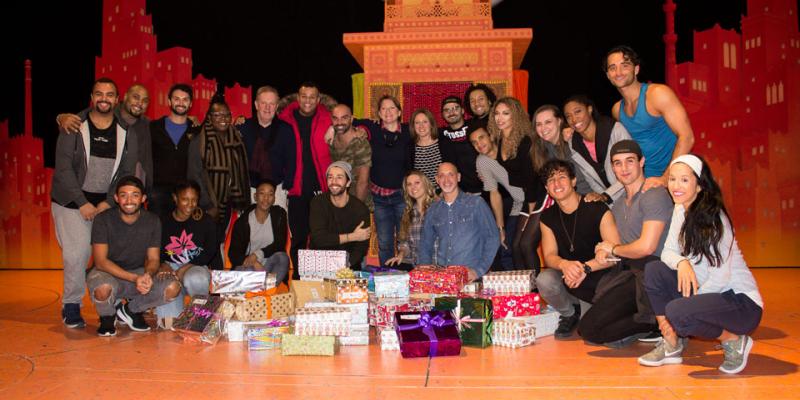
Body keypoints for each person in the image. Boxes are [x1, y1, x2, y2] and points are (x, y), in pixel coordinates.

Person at [637, 154, 763, 375]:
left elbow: (720, 278)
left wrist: (689, 307)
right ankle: (671, 342)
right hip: (708, 293)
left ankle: (734, 340)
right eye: (673, 179)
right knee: (654, 269)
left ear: (699, 185)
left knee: (678, 312)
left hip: (740, 303)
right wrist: (683, 262)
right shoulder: (680, 209)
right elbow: (667, 252)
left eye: (684, 180)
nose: (676, 186)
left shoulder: (714, 220)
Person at [51, 77, 137, 329]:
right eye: (99, 93)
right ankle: (71, 305)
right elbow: (64, 169)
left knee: (112, 255)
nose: (104, 98)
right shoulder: (73, 125)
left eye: (110, 94)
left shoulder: (124, 131)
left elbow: (126, 171)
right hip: (71, 202)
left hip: (106, 205)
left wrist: (109, 202)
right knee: (77, 255)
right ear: (91, 97)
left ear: (117, 99)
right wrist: (82, 202)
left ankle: (113, 306)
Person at [579, 140, 672, 347]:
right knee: (578, 281)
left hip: (654, 275)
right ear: (612, 168)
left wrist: (612, 248)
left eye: (630, 161)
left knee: (589, 330)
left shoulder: (654, 195)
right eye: (617, 163)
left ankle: (656, 323)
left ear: (642, 162)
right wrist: (600, 254)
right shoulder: (619, 204)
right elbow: (620, 250)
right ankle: (644, 319)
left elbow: (646, 247)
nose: (624, 168)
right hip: (629, 271)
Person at [535, 159, 620, 340]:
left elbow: (614, 254)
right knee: (544, 280)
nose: (556, 184)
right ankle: (569, 313)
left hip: (600, 275)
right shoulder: (548, 217)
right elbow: (549, 255)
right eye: (551, 180)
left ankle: (584, 308)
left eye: (562, 177)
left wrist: (584, 268)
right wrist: (564, 264)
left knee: (592, 331)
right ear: (546, 188)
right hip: (570, 276)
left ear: (573, 181)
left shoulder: (597, 208)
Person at [86, 176, 180, 336]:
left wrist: (148, 275)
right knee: (102, 289)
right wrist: (134, 278)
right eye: (123, 195)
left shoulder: (152, 221)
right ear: (116, 198)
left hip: (137, 273)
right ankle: (107, 317)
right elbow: (101, 262)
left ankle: (130, 310)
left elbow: (153, 259)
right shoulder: (103, 220)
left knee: (172, 287)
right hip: (107, 273)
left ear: (143, 198)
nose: (129, 200)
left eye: (135, 195)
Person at [605, 45, 695, 190]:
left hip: (677, 178)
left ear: (636, 69)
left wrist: (667, 178)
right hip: (647, 184)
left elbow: (687, 137)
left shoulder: (657, 94)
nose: (618, 72)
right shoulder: (617, 110)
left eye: (625, 65)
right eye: (612, 68)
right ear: (608, 75)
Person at [187, 95, 250, 269]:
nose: (223, 119)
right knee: (206, 240)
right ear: (209, 117)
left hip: (228, 201)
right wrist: (207, 204)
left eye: (226, 115)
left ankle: (217, 275)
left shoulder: (236, 137)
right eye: (217, 115)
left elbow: (240, 169)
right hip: (207, 202)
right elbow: (194, 175)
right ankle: (207, 278)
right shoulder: (199, 140)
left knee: (219, 238)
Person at [278, 82, 333, 277]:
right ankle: (299, 278)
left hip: (322, 188)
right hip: (297, 189)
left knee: (321, 237)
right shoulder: (284, 119)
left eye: (312, 97)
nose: (307, 100)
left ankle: (321, 278)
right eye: (304, 96)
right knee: (299, 237)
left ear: (318, 100)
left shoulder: (329, 118)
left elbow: (354, 124)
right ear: (298, 98)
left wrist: (360, 130)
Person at [487, 97, 545, 272]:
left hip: (538, 196)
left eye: (506, 113)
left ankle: (535, 291)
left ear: (515, 116)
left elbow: (531, 178)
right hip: (522, 198)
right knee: (515, 246)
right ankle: (524, 290)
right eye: (497, 113)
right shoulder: (500, 140)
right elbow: (509, 175)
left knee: (525, 245)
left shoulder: (525, 141)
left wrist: (530, 210)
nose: (500, 118)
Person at [353, 95, 412, 267]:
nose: (388, 112)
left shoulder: (409, 131)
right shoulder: (374, 129)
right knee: (385, 242)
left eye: (392, 108)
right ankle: (387, 277)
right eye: (384, 109)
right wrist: (333, 130)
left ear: (399, 112)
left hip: (402, 196)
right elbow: (351, 121)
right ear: (378, 113)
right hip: (380, 197)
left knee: (405, 240)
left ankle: (407, 276)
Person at [57, 84, 153, 188]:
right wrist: (61, 118)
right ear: (125, 97)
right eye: (135, 97)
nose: (140, 103)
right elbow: (74, 122)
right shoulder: (107, 112)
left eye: (145, 101)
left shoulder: (148, 125)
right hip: (95, 184)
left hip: (133, 188)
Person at [418, 163, 500, 280]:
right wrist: (425, 271)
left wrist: (479, 270)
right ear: (437, 180)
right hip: (444, 278)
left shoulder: (476, 203)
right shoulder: (433, 210)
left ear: (458, 177)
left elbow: (493, 237)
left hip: (471, 277)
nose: (446, 180)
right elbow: (425, 244)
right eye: (442, 176)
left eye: (451, 174)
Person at [155, 180, 215, 329]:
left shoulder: (205, 221)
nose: (190, 204)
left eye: (194, 200)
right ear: (175, 198)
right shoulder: (162, 221)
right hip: (170, 267)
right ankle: (177, 308)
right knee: (169, 325)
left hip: (196, 266)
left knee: (196, 278)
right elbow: (153, 248)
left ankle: (201, 314)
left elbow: (210, 251)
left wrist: (186, 267)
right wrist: (162, 264)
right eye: (185, 199)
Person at [469, 127, 526, 268]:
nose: (479, 144)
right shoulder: (482, 161)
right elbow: (494, 194)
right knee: (506, 245)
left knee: (523, 245)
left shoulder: (509, 147)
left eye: (481, 137)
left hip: (534, 199)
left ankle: (532, 286)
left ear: (491, 136)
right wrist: (500, 229)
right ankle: (510, 286)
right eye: (474, 142)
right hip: (518, 204)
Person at [562, 95, 631, 202]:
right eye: (568, 116)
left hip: (633, 192)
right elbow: (590, 179)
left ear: (589, 109)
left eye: (578, 111)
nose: (574, 119)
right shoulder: (574, 143)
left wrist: (606, 196)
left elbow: (631, 169)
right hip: (609, 201)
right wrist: (602, 199)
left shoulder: (614, 130)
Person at [236, 85, 295, 210]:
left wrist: (286, 187)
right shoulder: (243, 128)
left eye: (272, 103)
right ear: (256, 105)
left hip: (277, 190)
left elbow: (292, 160)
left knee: (277, 228)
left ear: (277, 106)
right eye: (263, 103)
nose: (267, 108)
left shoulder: (286, 130)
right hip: (250, 190)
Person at [148, 83, 201, 218]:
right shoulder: (153, 127)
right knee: (158, 234)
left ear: (190, 104)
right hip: (158, 192)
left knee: (182, 236)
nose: (180, 103)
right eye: (176, 99)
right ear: (169, 101)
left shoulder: (197, 131)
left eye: (185, 99)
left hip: (186, 193)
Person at [308, 161, 371, 269]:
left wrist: (347, 264)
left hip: (349, 263)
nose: (334, 182)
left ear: (348, 183)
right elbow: (318, 239)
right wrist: (352, 236)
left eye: (339, 177)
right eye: (330, 177)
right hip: (320, 261)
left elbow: (361, 246)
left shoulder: (360, 209)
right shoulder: (318, 203)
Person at [228, 179, 290, 282]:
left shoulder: (279, 215)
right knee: (247, 270)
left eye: (270, 194)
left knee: (283, 258)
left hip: (270, 266)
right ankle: (260, 287)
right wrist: (253, 261)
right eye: (262, 193)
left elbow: (280, 244)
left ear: (274, 199)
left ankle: (267, 288)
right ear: (255, 196)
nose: (266, 198)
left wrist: (257, 254)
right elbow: (233, 254)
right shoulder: (242, 221)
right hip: (250, 266)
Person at [385, 170, 437, 271]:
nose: (413, 187)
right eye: (409, 184)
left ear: (426, 184)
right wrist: (401, 254)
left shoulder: (438, 208)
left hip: (435, 264)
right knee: (389, 268)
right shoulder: (408, 213)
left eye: (417, 183)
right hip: (414, 264)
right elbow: (404, 242)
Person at [329, 104, 372, 208]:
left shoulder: (360, 143)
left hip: (357, 202)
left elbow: (363, 182)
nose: (339, 122)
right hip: (336, 201)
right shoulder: (331, 138)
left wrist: (354, 210)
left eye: (344, 118)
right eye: (335, 118)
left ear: (351, 119)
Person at [439, 95, 481, 194]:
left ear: (462, 110)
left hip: (485, 186)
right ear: (442, 115)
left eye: (455, 108)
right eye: (447, 110)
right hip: (460, 191)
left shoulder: (475, 126)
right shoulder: (440, 134)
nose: (451, 112)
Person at [408, 108, 443, 191]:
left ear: (431, 124)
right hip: (420, 194)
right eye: (417, 123)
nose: (421, 126)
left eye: (425, 122)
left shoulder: (443, 144)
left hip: (443, 193)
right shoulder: (410, 147)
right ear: (413, 126)